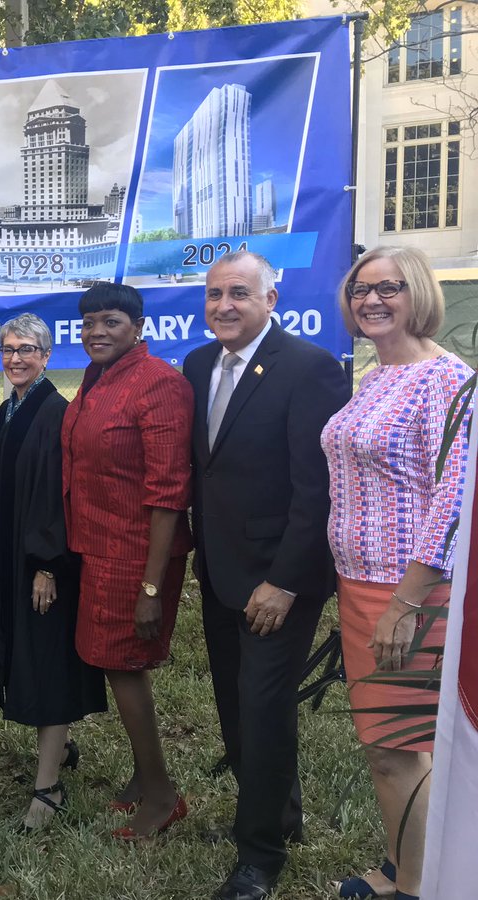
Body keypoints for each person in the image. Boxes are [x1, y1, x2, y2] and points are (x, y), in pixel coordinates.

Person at [185, 251, 351, 900]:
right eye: (214, 294)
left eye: (239, 293)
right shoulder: (198, 364)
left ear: (271, 299)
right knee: (236, 707)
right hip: (220, 570)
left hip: (279, 579)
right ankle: (280, 814)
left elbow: (319, 491)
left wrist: (284, 582)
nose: (224, 305)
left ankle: (259, 857)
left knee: (262, 709)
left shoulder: (310, 368)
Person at [322, 247, 472, 900]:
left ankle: (417, 887)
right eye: (360, 289)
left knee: (396, 747)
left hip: (408, 591)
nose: (371, 299)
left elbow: (454, 500)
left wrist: (406, 605)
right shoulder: (379, 376)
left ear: (419, 294)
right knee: (393, 746)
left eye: (389, 288)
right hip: (361, 584)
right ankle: (400, 866)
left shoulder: (447, 379)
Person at [60, 284, 193, 840]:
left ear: (138, 327)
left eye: (110, 321)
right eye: (88, 322)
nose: (96, 331)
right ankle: (144, 775)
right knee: (117, 663)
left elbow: (169, 491)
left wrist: (151, 588)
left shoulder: (158, 383)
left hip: (135, 554)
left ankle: (162, 796)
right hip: (97, 545)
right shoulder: (99, 377)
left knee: (121, 663)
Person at [0, 313, 107, 829]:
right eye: (8, 349)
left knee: (47, 666)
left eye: (27, 349)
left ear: (47, 356)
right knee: (31, 658)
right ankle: (62, 749)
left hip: (43, 564)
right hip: (12, 557)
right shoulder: (8, 410)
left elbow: (59, 496)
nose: (16, 358)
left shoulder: (56, 413)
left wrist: (47, 567)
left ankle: (48, 788)